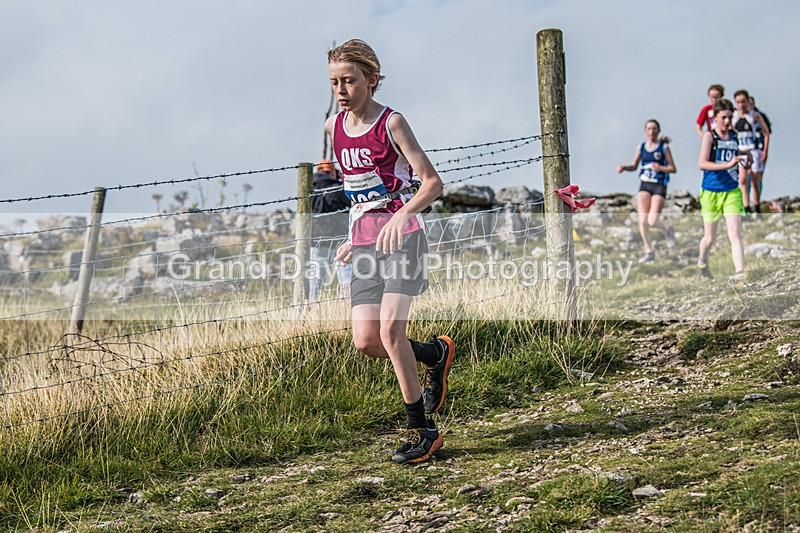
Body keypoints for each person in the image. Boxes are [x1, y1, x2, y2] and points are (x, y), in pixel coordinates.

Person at [324, 39, 455, 464]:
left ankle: (423, 431)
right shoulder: (333, 128)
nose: (341, 90)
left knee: (390, 333)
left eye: (349, 81)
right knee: (366, 341)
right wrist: (350, 236)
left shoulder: (392, 123)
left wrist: (402, 215)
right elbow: (357, 192)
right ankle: (435, 353)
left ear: (372, 80)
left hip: (404, 236)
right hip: (364, 241)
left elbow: (431, 182)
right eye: (334, 82)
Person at [697, 98, 751, 282]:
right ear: (716, 118)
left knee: (734, 233)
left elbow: (739, 154)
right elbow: (702, 163)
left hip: (731, 191)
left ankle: (740, 272)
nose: (727, 121)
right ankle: (702, 261)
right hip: (711, 191)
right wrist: (727, 164)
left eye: (730, 117)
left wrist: (747, 157)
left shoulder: (735, 136)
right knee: (709, 238)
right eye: (724, 118)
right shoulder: (709, 136)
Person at [616, 119, 677, 263]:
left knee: (652, 220)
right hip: (645, 184)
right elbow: (634, 165)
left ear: (658, 130)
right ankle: (649, 251)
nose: (652, 131)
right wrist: (624, 168)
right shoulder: (641, 147)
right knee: (642, 220)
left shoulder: (664, 147)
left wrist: (660, 168)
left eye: (654, 129)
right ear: (645, 131)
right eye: (649, 129)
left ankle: (668, 229)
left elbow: (673, 168)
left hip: (659, 185)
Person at [309, 159, 352, 303]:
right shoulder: (338, 189)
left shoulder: (309, 190)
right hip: (340, 240)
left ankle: (311, 309)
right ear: (333, 172)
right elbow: (352, 204)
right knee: (346, 280)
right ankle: (345, 307)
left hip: (316, 241)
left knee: (314, 283)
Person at [732, 90, 770, 217]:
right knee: (742, 180)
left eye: (743, 101)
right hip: (740, 151)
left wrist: (765, 150)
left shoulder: (754, 116)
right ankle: (746, 207)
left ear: (748, 101)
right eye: (738, 102)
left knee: (755, 180)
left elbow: (766, 132)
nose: (741, 105)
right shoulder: (733, 117)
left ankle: (757, 206)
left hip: (753, 150)